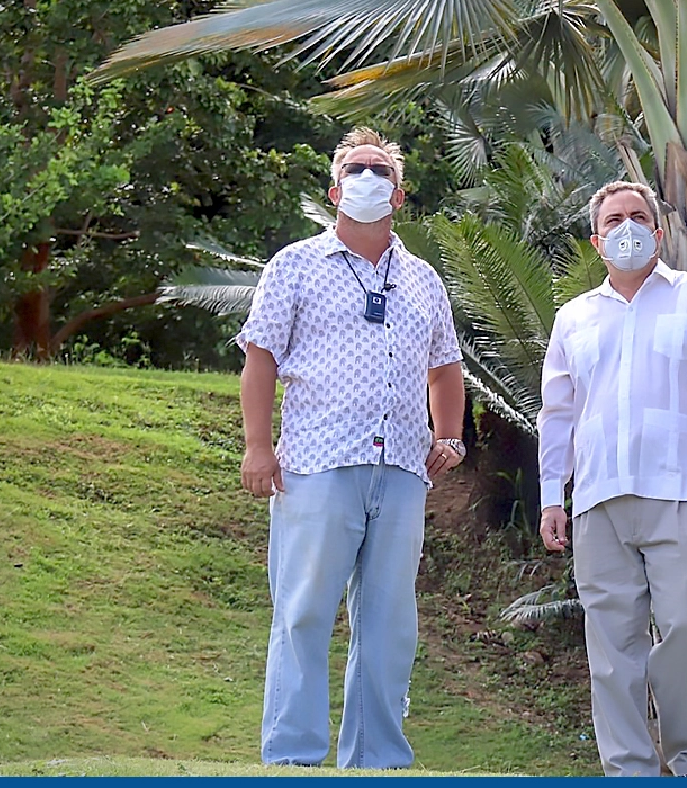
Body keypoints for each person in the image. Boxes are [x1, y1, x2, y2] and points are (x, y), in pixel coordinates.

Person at [236, 126, 466, 769]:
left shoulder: (424, 279)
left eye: (381, 169)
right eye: (357, 168)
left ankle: (377, 756)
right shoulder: (294, 264)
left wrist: (448, 434)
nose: (369, 177)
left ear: (399, 193)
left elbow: (446, 367)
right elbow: (260, 360)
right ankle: (292, 754)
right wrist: (258, 448)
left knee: (390, 624)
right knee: (305, 611)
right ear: (336, 189)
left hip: (399, 469)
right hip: (316, 463)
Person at [537, 180, 687, 777]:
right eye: (614, 219)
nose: (627, 226)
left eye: (639, 216)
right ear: (597, 238)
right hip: (597, 500)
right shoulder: (574, 317)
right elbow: (557, 413)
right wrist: (549, 497)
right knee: (612, 648)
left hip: (682, 491)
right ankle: (629, 770)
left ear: (659, 233)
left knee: (686, 628)